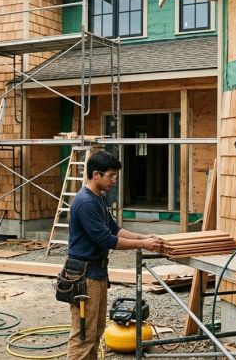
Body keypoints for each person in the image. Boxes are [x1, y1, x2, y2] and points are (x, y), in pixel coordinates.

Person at [66, 150, 163, 359]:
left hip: (97, 273)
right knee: (83, 335)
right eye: (110, 176)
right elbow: (106, 240)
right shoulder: (85, 202)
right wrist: (143, 245)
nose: (114, 180)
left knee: (95, 330)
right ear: (96, 175)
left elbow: (114, 229)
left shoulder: (98, 199)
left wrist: (143, 237)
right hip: (85, 276)